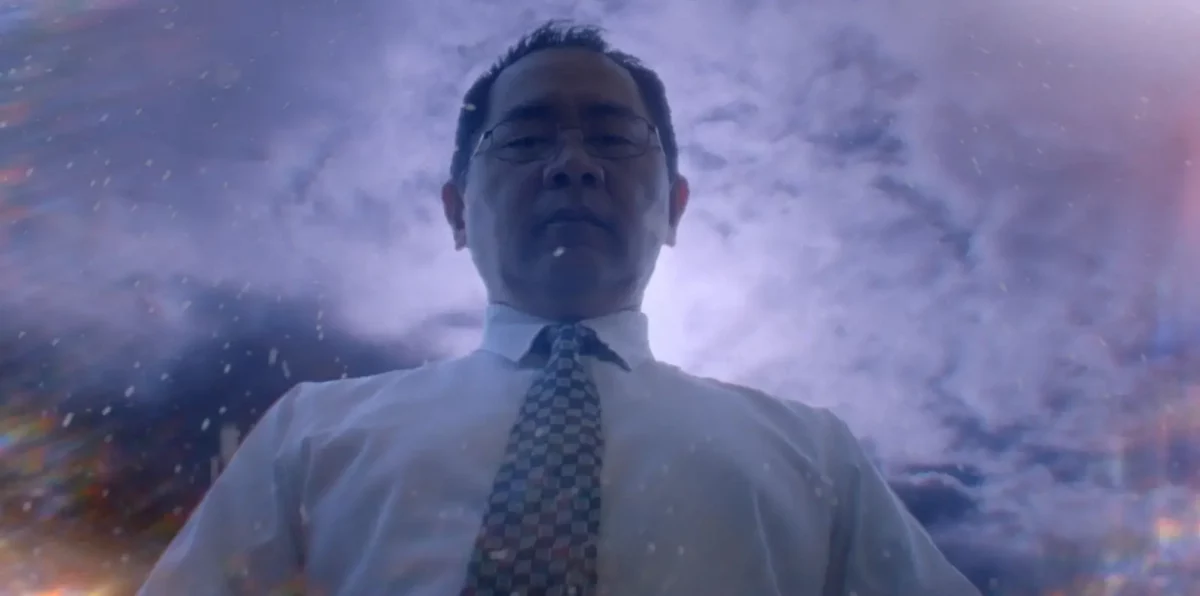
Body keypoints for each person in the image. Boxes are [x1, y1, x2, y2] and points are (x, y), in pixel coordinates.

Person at [139, 19, 981, 596]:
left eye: (612, 137)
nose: (572, 164)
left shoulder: (815, 458)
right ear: (456, 212)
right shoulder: (311, 435)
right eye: (525, 137)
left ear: (676, 206)